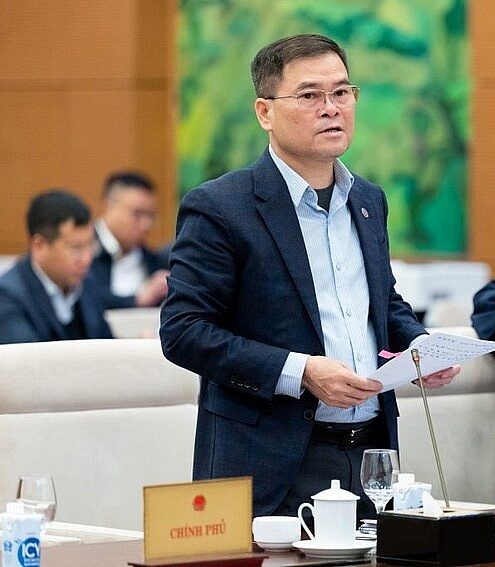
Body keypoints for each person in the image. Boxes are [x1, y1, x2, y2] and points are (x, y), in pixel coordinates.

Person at [159, 34, 458, 519]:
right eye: (310, 95)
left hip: (371, 457)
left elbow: (383, 304)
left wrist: (421, 347)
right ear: (264, 112)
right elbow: (184, 332)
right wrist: (301, 372)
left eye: (342, 92)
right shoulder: (221, 207)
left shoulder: (368, 200)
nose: (331, 108)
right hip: (269, 462)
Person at [0, 190, 113, 344]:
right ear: (39, 246)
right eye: (76, 249)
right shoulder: (7, 295)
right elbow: (30, 362)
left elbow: (107, 345)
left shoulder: (88, 283)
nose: (87, 259)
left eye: (90, 246)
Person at [87, 171, 170, 309]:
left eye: (151, 216)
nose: (146, 225)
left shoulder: (157, 262)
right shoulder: (83, 252)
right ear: (108, 207)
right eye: (137, 214)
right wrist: (136, 300)